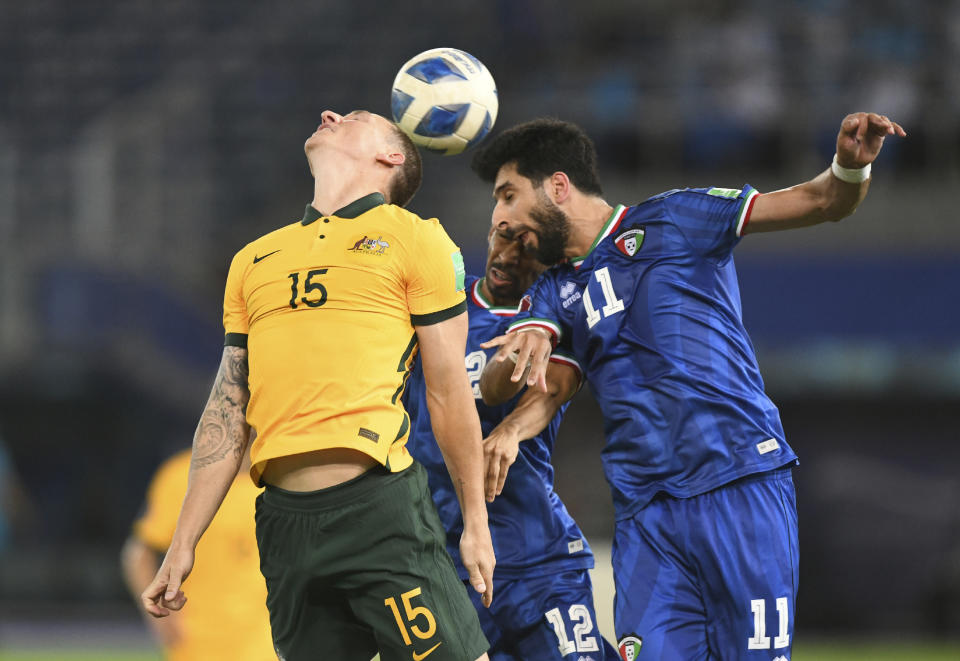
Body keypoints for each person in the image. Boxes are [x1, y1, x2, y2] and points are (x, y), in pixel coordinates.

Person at [471, 112, 905, 659]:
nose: (501, 217)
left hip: (739, 482)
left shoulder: (676, 218)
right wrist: (510, 415)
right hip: (646, 512)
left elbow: (820, 201)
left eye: (508, 195)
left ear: (558, 186)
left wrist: (848, 167)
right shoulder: (555, 291)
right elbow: (542, 385)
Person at [141, 109, 495, 661]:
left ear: (391, 156)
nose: (329, 114)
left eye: (353, 117)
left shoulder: (419, 241)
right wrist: (184, 541)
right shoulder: (252, 260)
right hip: (283, 523)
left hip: (377, 511)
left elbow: (449, 393)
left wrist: (475, 522)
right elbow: (228, 406)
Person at [403, 223, 619, 660]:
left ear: (550, 262)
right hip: (445, 562)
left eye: (527, 249)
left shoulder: (551, 322)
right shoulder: (434, 305)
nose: (508, 256)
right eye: (503, 239)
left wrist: (510, 430)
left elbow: (552, 392)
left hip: (536, 558)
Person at [121, 446, 275, 661]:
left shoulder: (286, 477)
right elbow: (139, 554)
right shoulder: (182, 476)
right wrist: (161, 621)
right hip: (198, 644)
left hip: (268, 643)